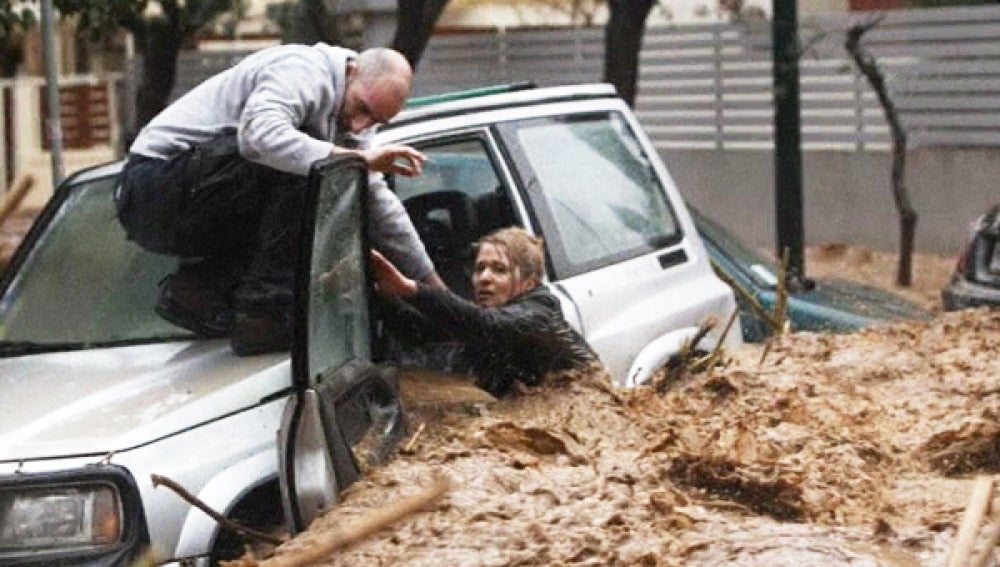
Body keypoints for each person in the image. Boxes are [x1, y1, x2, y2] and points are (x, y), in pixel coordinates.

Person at [114, 44, 444, 356]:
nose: (360, 125)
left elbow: (374, 200)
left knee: (329, 182)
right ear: (351, 70)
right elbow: (258, 137)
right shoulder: (304, 70)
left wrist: (434, 291)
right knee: (312, 167)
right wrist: (356, 160)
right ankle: (262, 314)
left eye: (375, 121)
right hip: (151, 190)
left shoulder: (352, 117)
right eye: (362, 109)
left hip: (197, 196)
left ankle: (199, 292)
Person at [371, 227, 600, 397]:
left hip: (589, 402)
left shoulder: (539, 313)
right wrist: (375, 291)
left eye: (499, 270)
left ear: (529, 284)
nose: (484, 278)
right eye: (480, 268)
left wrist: (411, 289)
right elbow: (419, 331)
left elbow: (486, 325)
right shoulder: (488, 314)